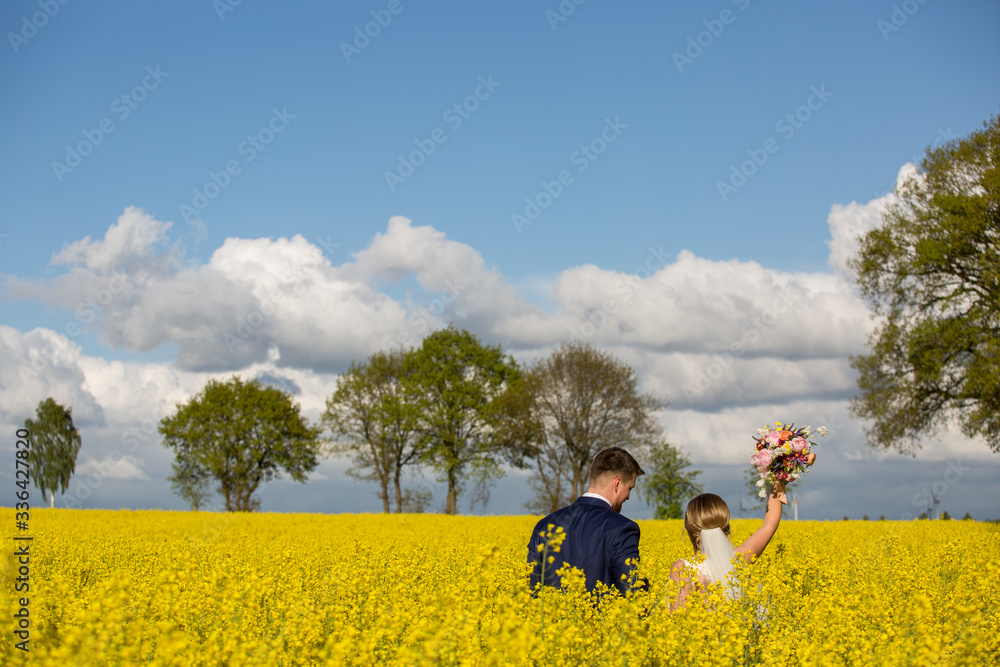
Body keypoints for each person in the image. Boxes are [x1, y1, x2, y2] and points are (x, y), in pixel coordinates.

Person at [527, 447, 646, 597]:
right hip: (600, 620)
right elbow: (633, 592)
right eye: (630, 488)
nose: (628, 496)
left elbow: (530, 590)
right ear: (617, 484)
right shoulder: (622, 528)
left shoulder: (544, 526)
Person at [669, 481, 787, 609]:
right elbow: (769, 526)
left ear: (688, 529)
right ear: (726, 526)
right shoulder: (739, 559)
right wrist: (779, 480)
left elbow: (678, 617)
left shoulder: (683, 568)